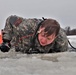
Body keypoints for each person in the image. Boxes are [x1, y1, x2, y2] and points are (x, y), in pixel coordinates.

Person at [0, 15, 68, 53]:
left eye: (49, 38)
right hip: (19, 42)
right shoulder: (26, 26)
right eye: (43, 35)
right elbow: (11, 19)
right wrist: (6, 41)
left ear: (55, 37)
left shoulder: (61, 41)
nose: (44, 40)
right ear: (40, 29)